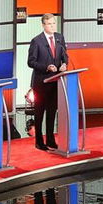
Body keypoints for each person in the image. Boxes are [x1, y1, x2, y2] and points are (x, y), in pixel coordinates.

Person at [26, 13, 68, 151]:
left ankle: (50, 139)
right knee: (40, 113)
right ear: (43, 25)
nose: (53, 26)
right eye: (49, 24)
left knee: (52, 111)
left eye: (54, 23)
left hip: (56, 81)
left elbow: (64, 55)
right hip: (41, 82)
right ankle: (39, 141)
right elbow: (31, 62)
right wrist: (46, 67)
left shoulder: (59, 38)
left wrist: (64, 64)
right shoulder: (36, 41)